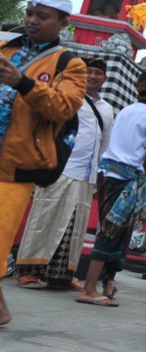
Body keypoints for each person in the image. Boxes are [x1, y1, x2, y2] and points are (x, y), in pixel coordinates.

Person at [0, 0, 87, 326]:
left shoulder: (70, 63)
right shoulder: (7, 48)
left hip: (17, 165)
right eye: (30, 13)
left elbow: (64, 108)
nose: (32, 20)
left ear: (62, 22)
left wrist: (23, 82)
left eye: (42, 15)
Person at [16, 57, 113, 291]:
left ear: (104, 79)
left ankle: (61, 274)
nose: (92, 76)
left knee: (74, 225)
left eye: (97, 73)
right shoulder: (68, 97)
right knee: (45, 217)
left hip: (86, 174)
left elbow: (105, 144)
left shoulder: (107, 109)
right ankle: (28, 270)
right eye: (88, 72)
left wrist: (99, 172)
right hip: (60, 167)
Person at [75, 69, 146, 307]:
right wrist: (145, 179)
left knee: (117, 232)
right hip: (128, 179)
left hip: (109, 175)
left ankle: (107, 284)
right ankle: (89, 288)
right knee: (111, 233)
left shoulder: (125, 111)